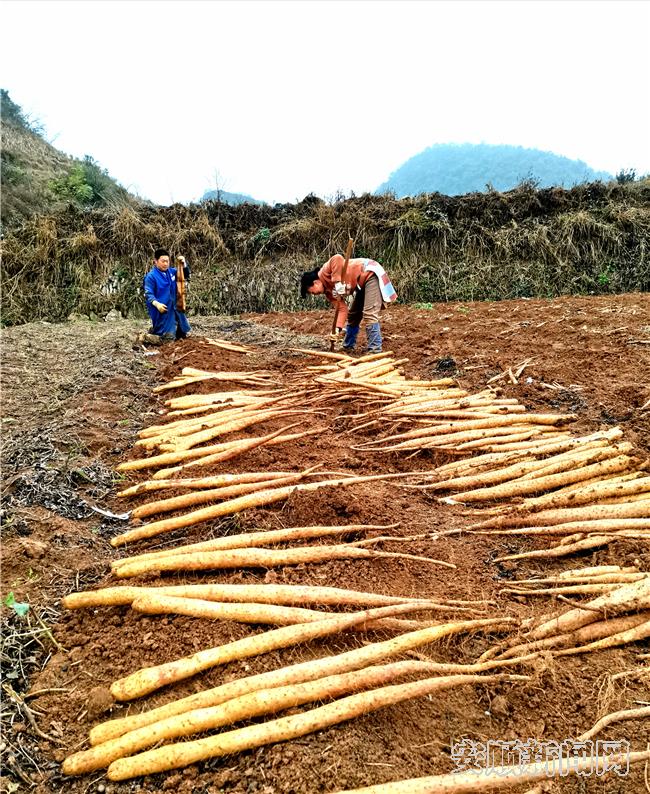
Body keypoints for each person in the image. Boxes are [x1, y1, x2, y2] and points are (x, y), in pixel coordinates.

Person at [300, 254, 397, 353]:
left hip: (369, 274)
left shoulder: (324, 271)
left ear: (315, 282)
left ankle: (375, 349)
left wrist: (337, 282)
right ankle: (348, 346)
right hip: (361, 284)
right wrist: (337, 329)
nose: (314, 294)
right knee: (353, 315)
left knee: (369, 313)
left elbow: (337, 258)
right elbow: (342, 309)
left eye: (312, 292)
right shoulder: (328, 292)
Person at [142, 248, 191, 344]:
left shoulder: (171, 272)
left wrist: (183, 263)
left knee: (183, 334)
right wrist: (157, 304)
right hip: (162, 310)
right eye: (163, 261)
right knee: (168, 340)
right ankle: (146, 337)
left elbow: (184, 274)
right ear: (155, 261)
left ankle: (160, 331)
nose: (165, 264)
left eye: (167, 261)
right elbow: (148, 293)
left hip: (175, 308)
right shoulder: (151, 277)